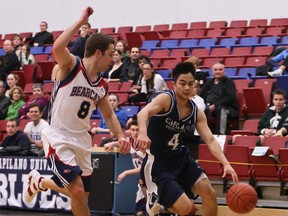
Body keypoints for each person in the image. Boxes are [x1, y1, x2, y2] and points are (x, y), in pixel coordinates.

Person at [24, 7, 130, 216]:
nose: (112, 59)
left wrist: (120, 135)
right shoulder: (71, 65)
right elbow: (57, 47)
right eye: (110, 54)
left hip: (82, 140)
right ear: (98, 53)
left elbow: (108, 115)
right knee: (78, 191)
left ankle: (40, 181)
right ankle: (40, 181)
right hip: (58, 136)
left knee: (81, 196)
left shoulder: (101, 85)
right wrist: (80, 21)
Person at [136, 62, 238, 216]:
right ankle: (156, 198)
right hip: (158, 162)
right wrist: (143, 133)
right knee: (188, 209)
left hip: (181, 158)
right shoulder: (166, 99)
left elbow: (210, 140)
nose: (186, 88)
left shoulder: (196, 111)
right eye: (182, 83)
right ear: (174, 84)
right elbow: (142, 113)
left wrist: (226, 163)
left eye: (190, 84)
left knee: (209, 193)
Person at [104, 119, 146, 216]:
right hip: (142, 181)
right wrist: (111, 143)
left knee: (148, 210)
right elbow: (122, 142)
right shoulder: (130, 141)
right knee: (140, 212)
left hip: (152, 179)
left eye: (137, 130)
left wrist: (126, 172)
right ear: (129, 131)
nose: (135, 133)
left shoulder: (146, 145)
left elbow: (145, 168)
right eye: (133, 130)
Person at [199, 62, 239, 134]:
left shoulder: (229, 82)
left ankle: (220, 134)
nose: (218, 71)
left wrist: (215, 105)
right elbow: (201, 95)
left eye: (220, 69)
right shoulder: (209, 82)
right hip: (209, 107)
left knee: (221, 110)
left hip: (226, 108)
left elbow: (230, 97)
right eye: (215, 70)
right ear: (212, 72)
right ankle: (200, 134)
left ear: (224, 71)